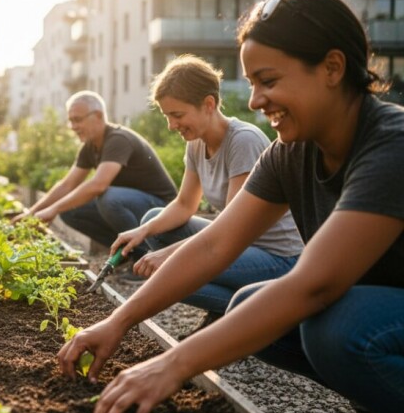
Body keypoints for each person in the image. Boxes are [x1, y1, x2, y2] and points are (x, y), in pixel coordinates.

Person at [58, 0, 404, 413]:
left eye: (268, 80)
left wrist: (174, 363)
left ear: (332, 68)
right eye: (252, 83)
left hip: (369, 309)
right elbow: (214, 244)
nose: (255, 100)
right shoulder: (291, 153)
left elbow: (315, 285)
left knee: (338, 328)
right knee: (248, 306)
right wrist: (117, 323)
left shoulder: (391, 146)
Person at [111, 55, 303, 339]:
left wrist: (170, 256)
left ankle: (251, 312)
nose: (171, 125)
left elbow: (232, 228)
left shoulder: (243, 141)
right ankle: (228, 308)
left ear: (209, 105)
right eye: (167, 116)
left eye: (177, 115)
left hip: (279, 258)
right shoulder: (197, 143)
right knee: (154, 220)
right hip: (238, 246)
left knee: (171, 271)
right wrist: (142, 232)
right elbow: (184, 205)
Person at [14, 91, 178, 254]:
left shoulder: (118, 139)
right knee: (70, 210)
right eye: (71, 121)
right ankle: (124, 253)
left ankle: (143, 255)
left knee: (109, 198)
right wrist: (31, 214)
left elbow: (98, 185)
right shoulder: (90, 147)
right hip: (135, 206)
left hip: (162, 209)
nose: (73, 127)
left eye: (78, 120)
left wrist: (53, 209)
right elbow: (67, 185)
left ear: (98, 115)